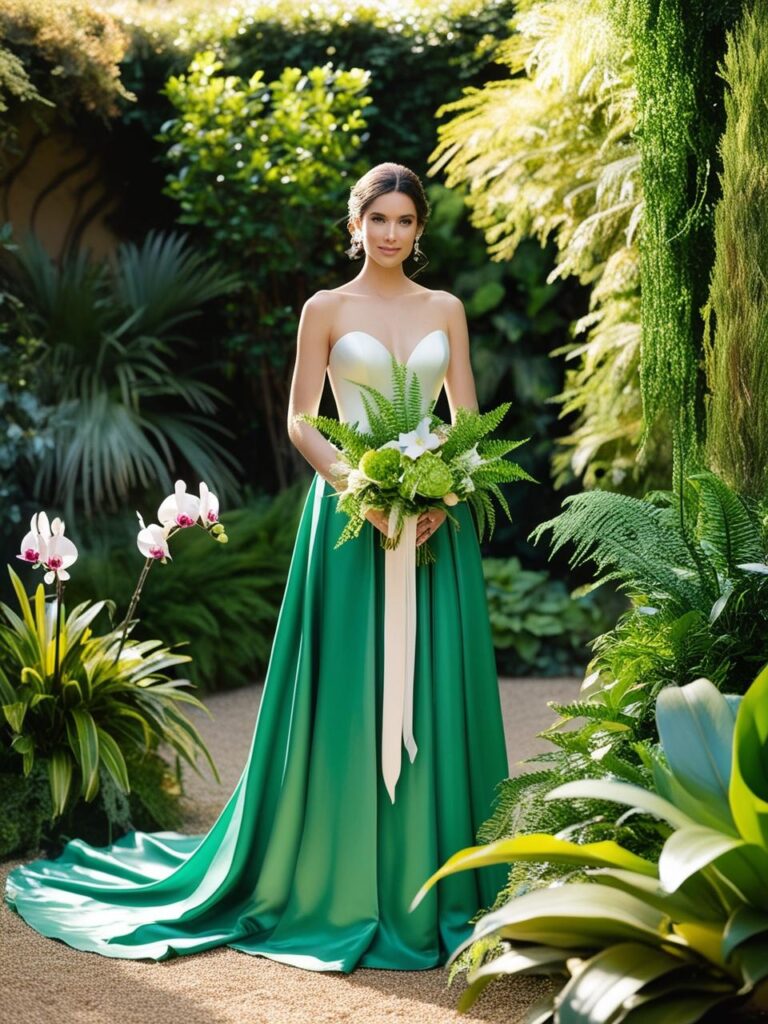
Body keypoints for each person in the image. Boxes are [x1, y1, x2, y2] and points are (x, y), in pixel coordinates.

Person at [4, 162, 510, 973]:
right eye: (378, 219)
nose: (390, 233)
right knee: (344, 693)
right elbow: (302, 419)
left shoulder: (444, 309)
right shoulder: (325, 308)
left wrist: (442, 498)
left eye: (405, 221)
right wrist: (360, 487)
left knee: (432, 688)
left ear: (419, 230)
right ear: (356, 225)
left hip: (431, 533)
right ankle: (336, 879)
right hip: (349, 523)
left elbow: (468, 417)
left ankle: (437, 882)